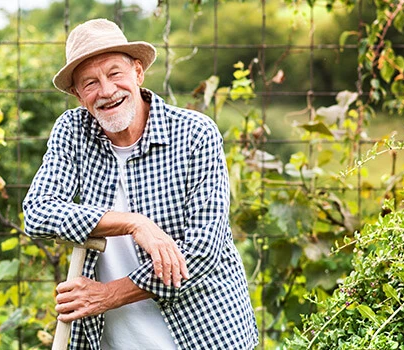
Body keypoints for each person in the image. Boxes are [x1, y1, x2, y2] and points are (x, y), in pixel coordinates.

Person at [22, 18, 258, 349]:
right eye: (90, 83)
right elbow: (37, 213)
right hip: (115, 339)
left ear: (137, 72)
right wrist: (134, 224)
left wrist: (106, 295)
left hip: (203, 333)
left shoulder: (195, 133)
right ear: (78, 94)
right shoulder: (73, 131)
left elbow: (202, 252)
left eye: (115, 73)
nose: (106, 91)